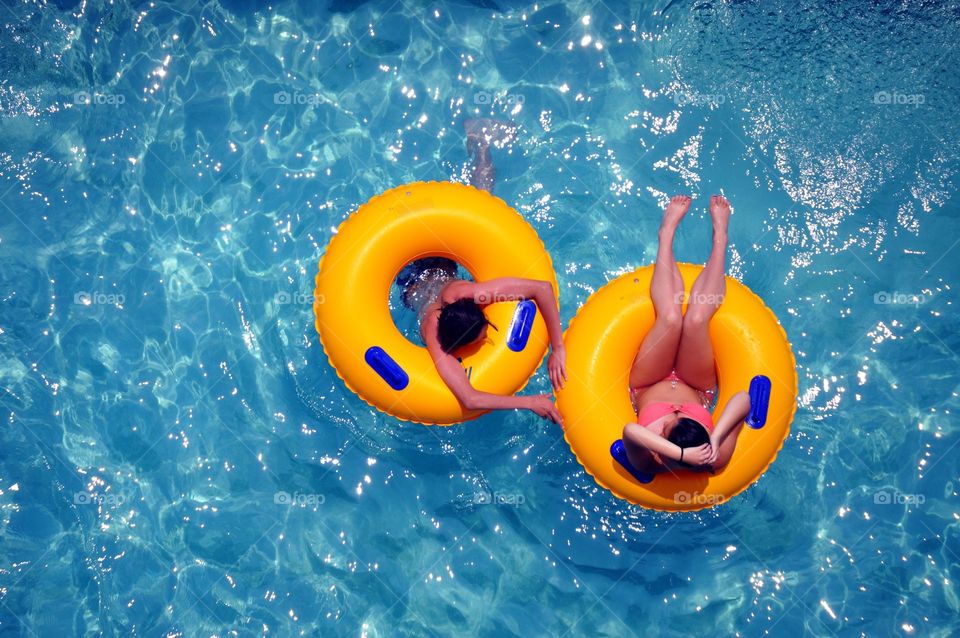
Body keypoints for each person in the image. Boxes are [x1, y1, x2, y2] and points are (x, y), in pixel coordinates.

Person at [395, 118, 566, 424]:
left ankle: (480, 139)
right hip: (409, 278)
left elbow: (541, 288)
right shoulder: (433, 335)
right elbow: (469, 399)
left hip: (441, 262)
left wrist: (558, 348)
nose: (489, 338)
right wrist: (529, 402)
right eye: (485, 335)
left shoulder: (468, 294)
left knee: (483, 200)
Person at [621, 194, 752, 474]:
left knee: (670, 319)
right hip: (697, 387)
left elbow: (630, 430)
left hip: (647, 382)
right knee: (694, 320)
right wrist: (715, 437)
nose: (675, 410)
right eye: (681, 416)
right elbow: (743, 398)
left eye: (667, 423)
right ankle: (720, 240)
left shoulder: (651, 461)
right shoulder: (715, 458)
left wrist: (675, 451)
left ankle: (666, 234)